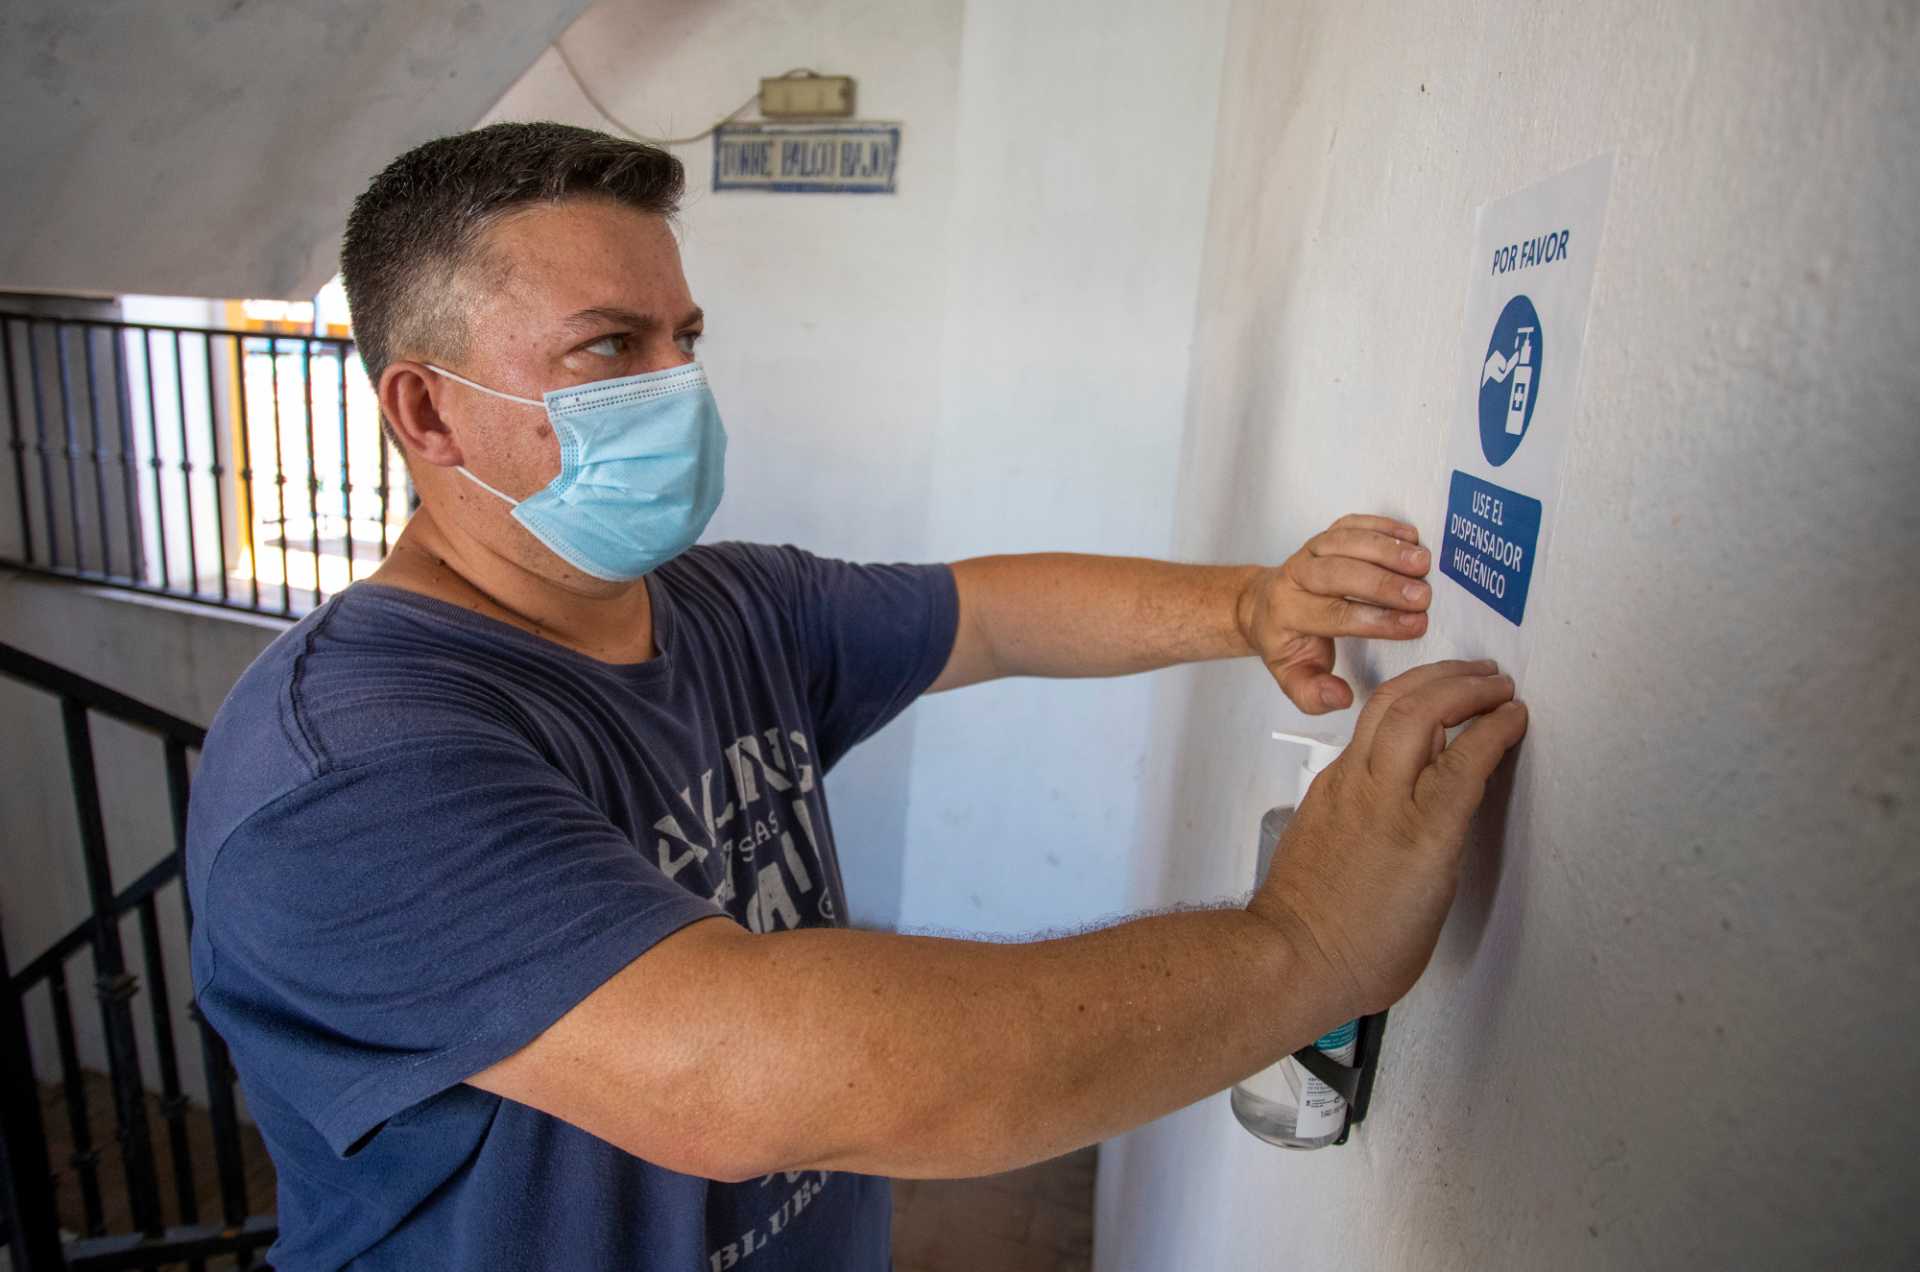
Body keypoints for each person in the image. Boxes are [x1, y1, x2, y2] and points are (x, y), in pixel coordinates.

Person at [185, 121, 1527, 1270]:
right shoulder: (352, 769)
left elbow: (982, 615)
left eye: (684, 337)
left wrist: (1249, 606)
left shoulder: (726, 606)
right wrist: (1307, 943)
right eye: (608, 348)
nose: (675, 386)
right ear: (427, 414)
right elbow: (741, 1079)